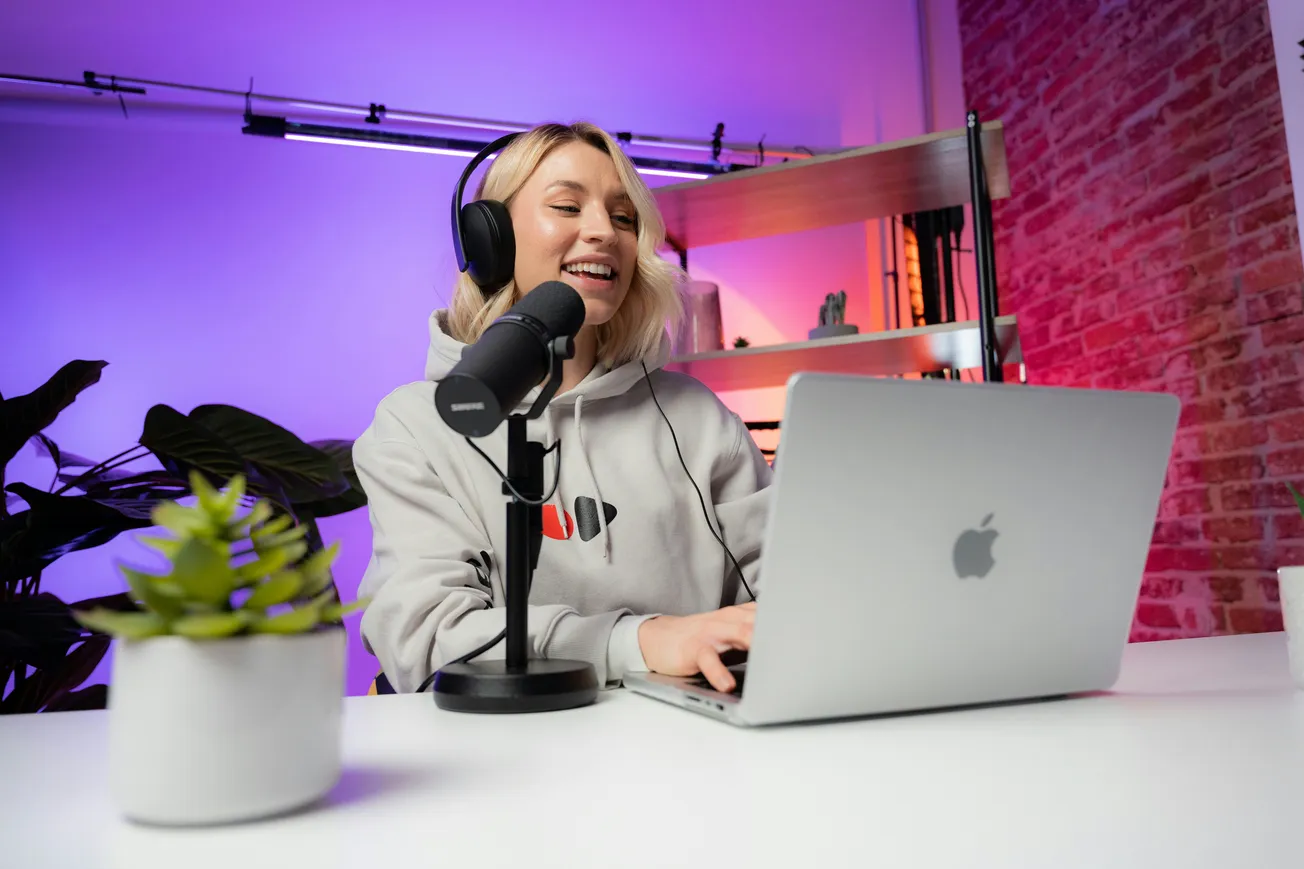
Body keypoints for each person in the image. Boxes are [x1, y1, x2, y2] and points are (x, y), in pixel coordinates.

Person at [353, 121, 772, 695]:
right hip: (510, 758)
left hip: (692, 749)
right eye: (568, 207)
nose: (603, 232)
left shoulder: (697, 418)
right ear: (490, 241)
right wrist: (642, 642)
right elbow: (425, 642)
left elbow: (786, 590)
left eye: (624, 217)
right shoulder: (416, 427)